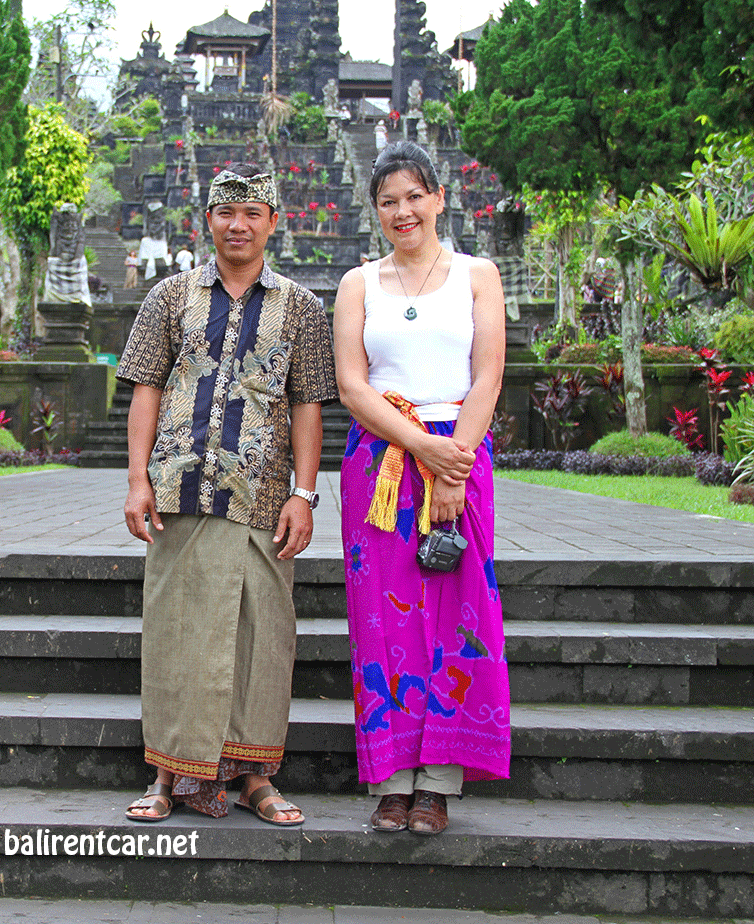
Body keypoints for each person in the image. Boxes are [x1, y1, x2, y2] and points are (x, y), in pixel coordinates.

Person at [117, 164, 338, 826]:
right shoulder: (169, 296)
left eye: (252, 212)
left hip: (264, 498)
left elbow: (308, 406)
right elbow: (146, 387)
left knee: (261, 635)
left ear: (274, 221)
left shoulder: (300, 306)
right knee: (176, 631)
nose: (238, 224)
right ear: (206, 219)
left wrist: (305, 493)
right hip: (179, 489)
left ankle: (255, 777)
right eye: (225, 212)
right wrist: (136, 480)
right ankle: (166, 771)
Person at [333, 141, 511, 836]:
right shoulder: (359, 284)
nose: (402, 211)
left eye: (414, 196)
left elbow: (487, 375)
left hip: (460, 455)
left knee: (457, 612)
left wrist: (451, 465)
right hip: (381, 461)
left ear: (439, 198)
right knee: (384, 619)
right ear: (375, 211)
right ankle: (391, 779)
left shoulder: (477, 275)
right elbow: (353, 385)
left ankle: (438, 782)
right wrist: (421, 450)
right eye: (388, 201)